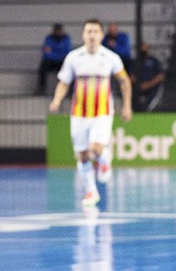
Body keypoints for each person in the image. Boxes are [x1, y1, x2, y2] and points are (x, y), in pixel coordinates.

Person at [49, 19, 132, 207]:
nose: (92, 35)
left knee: (95, 148)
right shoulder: (73, 57)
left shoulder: (110, 57)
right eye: (88, 31)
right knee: (82, 155)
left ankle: (105, 158)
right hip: (79, 114)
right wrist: (56, 100)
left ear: (101, 35)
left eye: (95, 32)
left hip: (102, 113)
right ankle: (91, 192)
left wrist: (126, 106)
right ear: (83, 35)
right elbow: (64, 83)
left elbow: (125, 82)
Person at [131, 42, 165, 112]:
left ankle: (148, 110)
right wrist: (139, 85)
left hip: (152, 87)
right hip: (138, 87)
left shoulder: (153, 60)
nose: (143, 48)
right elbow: (131, 76)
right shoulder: (135, 61)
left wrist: (149, 84)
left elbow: (160, 76)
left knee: (156, 93)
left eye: (145, 46)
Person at [38, 22, 71, 94]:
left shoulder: (66, 38)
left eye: (59, 30)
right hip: (51, 62)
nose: (58, 32)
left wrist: (55, 55)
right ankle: (41, 88)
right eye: (56, 30)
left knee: (71, 67)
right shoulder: (49, 38)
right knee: (43, 65)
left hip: (61, 62)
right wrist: (58, 56)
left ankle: (71, 91)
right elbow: (46, 53)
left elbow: (67, 52)